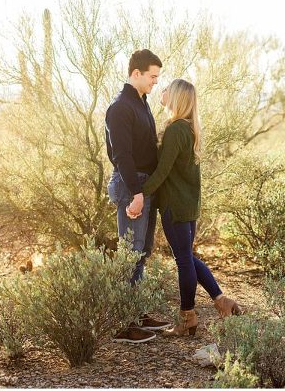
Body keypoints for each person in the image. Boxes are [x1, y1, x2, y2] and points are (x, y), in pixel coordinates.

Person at [130, 78, 242, 336]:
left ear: (177, 97)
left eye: (168, 88)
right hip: (188, 206)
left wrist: (140, 194)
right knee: (188, 258)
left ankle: (187, 318)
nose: (163, 91)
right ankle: (221, 301)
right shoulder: (188, 128)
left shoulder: (175, 130)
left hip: (175, 206)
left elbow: (161, 172)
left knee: (183, 260)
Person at [104, 49, 171, 344]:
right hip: (132, 186)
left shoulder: (141, 104)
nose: (155, 82)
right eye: (152, 77)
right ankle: (124, 323)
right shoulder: (120, 108)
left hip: (145, 186)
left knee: (140, 254)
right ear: (136, 74)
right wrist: (138, 193)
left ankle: (138, 314)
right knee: (129, 256)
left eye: (157, 77)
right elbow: (122, 156)